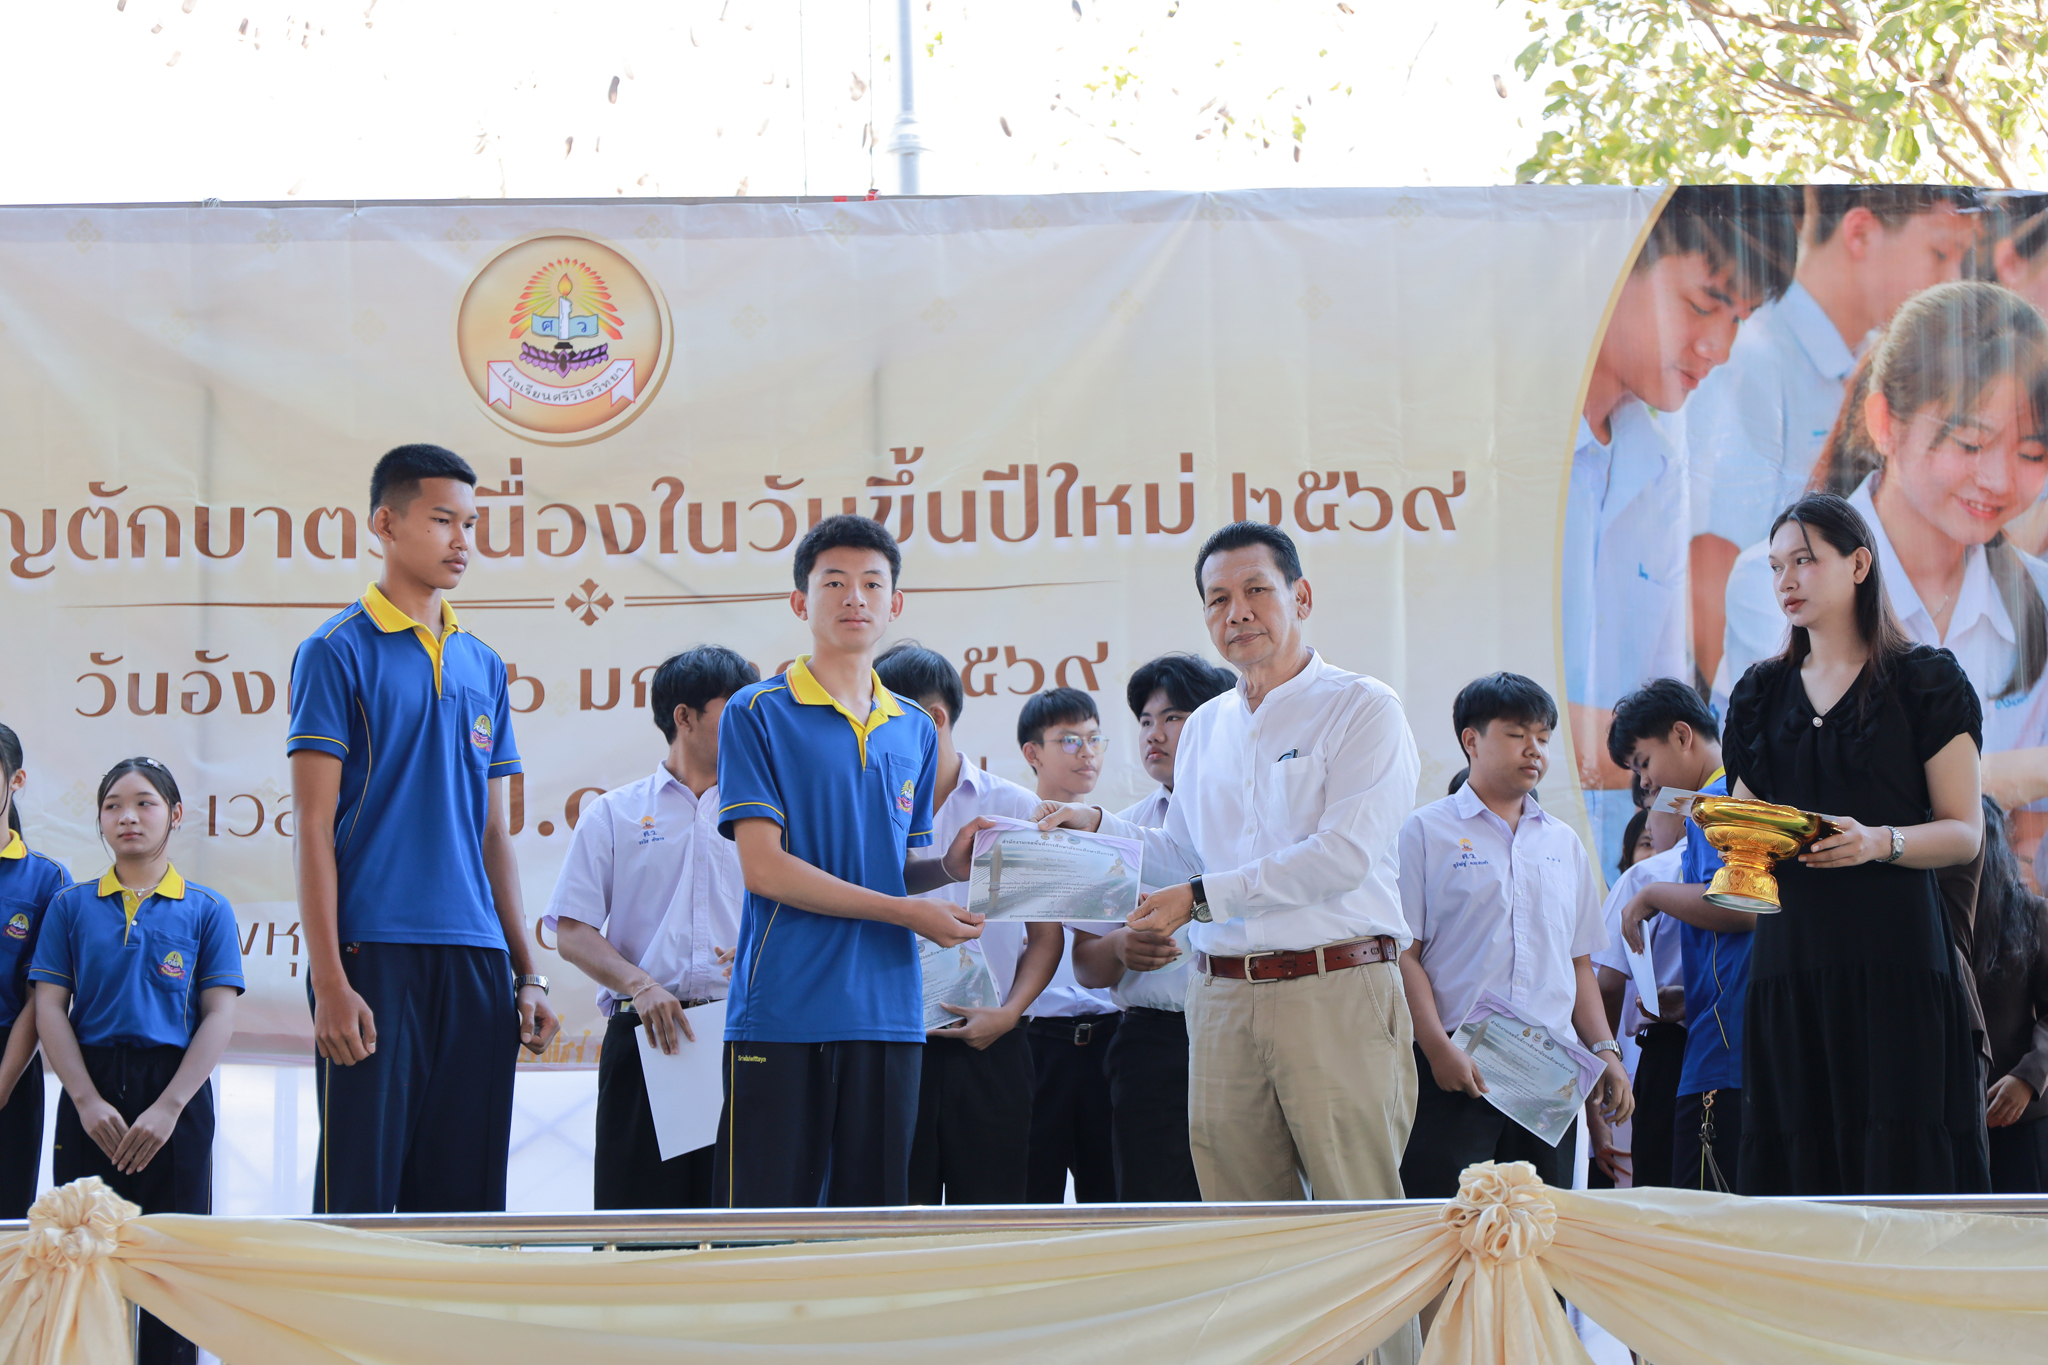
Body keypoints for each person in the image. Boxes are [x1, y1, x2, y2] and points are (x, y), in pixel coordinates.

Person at [1033, 522, 1422, 1204]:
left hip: (1333, 986)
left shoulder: (1362, 707)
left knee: (1355, 1215)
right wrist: (1096, 826)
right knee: (1242, 1223)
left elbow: (1343, 855)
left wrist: (1198, 899)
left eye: (1255, 590)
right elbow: (1183, 853)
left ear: (1301, 596)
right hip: (1218, 998)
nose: (1236, 612)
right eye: (1217, 599)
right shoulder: (1207, 726)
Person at [288, 443, 560, 1215]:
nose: (462, 541)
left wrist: (528, 971)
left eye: (470, 524)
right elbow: (312, 824)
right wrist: (331, 982)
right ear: (385, 523)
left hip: (476, 960)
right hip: (372, 954)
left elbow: (494, 833)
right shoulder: (335, 650)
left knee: (466, 1202)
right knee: (361, 1198)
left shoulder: (483, 663)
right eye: (443, 520)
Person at [1716, 283, 2048, 874]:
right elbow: (1801, 796)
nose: (1999, 480)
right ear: (1884, 422)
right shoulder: (1775, 584)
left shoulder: (2038, 598)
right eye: (1972, 442)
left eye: (2031, 453)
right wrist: (2026, 772)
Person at [715, 516, 987, 1208]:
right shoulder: (757, 711)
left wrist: (946, 868)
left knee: (872, 1223)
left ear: (896, 603)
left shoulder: (913, 728)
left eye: (872, 583)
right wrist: (907, 912)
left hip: (888, 1012)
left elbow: (887, 868)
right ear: (800, 601)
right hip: (783, 1007)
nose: (854, 597)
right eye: (833, 582)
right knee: (764, 1228)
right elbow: (764, 869)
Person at [1723, 492, 1989, 1195]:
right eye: (1776, 566)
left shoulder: (1926, 680)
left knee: (1901, 1161)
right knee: (1797, 1163)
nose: (1786, 580)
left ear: (1860, 565)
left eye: (1804, 561)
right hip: (1791, 956)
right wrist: (1731, 832)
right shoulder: (1758, 694)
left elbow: (1964, 832)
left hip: (1896, 954)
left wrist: (1879, 841)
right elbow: (1747, 830)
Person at [1566, 185, 1798, 860]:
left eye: (1739, 318)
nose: (1717, 347)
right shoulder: (1501, 454)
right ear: (1613, 271)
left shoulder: (1661, 465)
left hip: (1625, 860)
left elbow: (1667, 716)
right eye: (1702, 304)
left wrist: (1668, 856)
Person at [1689, 185, 1979, 686]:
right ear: (1860, 232)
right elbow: (1712, 570)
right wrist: (1772, 714)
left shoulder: (1875, 362)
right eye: (1939, 253)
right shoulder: (1753, 358)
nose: (1952, 279)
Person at [31, 758, 241, 1365]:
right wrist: (85, 1100)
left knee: (173, 1266)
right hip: (90, 1089)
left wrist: (170, 1107)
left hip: (174, 1094)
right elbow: (49, 1007)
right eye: (113, 805)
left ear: (174, 814)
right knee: (84, 1257)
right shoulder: (70, 906)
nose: (128, 817)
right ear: (99, 819)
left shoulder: (207, 908)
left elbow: (219, 1016)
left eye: (145, 803)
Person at [1396, 672, 1632, 1197]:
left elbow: (1578, 963)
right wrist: (1436, 1049)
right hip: (1457, 1067)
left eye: (1543, 738)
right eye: (1517, 734)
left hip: (1548, 1074)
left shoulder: (1563, 843)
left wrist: (1606, 1052)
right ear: (1471, 740)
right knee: (1451, 1222)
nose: (1534, 751)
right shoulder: (1426, 831)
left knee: (1541, 1225)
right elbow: (1404, 956)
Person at [545, 645, 759, 1210]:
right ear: (684, 717)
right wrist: (641, 985)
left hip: (745, 1032)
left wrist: (767, 950)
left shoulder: (766, 815)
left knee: (744, 1228)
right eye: (733, 709)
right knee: (639, 1228)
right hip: (646, 1037)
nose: (749, 723)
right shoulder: (612, 813)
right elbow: (571, 931)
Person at [873, 641, 1062, 1206]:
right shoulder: (866, 809)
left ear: (933, 718)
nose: (869, 736)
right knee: (896, 1219)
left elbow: (1045, 937)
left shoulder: (1012, 808)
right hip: (891, 1045)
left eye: (880, 720)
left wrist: (1009, 1014)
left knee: (993, 1218)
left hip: (991, 1044)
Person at [1072, 652, 1237, 1203]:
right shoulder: (1126, 828)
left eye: (1173, 717)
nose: (1155, 734)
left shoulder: (1252, 823)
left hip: (1242, 1031)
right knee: (1153, 1204)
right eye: (1145, 720)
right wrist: (1120, 946)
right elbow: (1086, 965)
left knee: (1247, 1202)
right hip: (1153, 1043)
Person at [1606, 678, 1751, 1191]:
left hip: (1725, 1051)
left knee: (1700, 1214)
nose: (1646, 782)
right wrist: (1690, 996)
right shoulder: (1722, 801)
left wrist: (1652, 895)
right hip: (1717, 1031)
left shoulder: (1720, 802)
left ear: (1683, 735)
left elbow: (1743, 906)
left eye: (1644, 762)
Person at [1013, 685, 1124, 1205]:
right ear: (1032, 753)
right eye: (1069, 740)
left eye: (1094, 739)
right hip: (1035, 1042)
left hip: (1111, 1039)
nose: (1088, 753)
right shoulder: (1010, 838)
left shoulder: (1118, 838)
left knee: (1115, 1198)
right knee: (1028, 1199)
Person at [1588, 797, 1687, 1190]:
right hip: (1733, 1044)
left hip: (1665, 1053)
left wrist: (1600, 1081)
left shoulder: (1648, 877)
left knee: (1661, 1191)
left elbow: (1607, 986)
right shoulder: (1754, 871)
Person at [0, 723, 68, 1219]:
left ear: (16, 780)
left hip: (11, 1063)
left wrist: (3, 1084)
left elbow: (40, 997)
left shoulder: (47, 879)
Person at [1972, 796, 2048, 1192]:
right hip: (1950, 1121)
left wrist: (2029, 1077)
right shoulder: (1928, 923)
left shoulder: (2034, 914)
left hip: (2021, 1114)